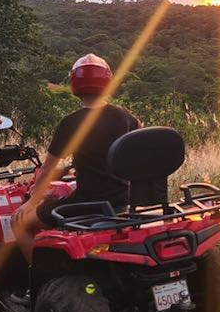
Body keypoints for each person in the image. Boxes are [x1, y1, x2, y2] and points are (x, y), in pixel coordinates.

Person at [12, 54, 141, 261]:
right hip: (123, 200)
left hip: (86, 203)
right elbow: (134, 141)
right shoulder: (123, 115)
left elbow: (46, 170)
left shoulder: (70, 123)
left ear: (75, 84)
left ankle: (36, 281)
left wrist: (30, 203)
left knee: (18, 222)